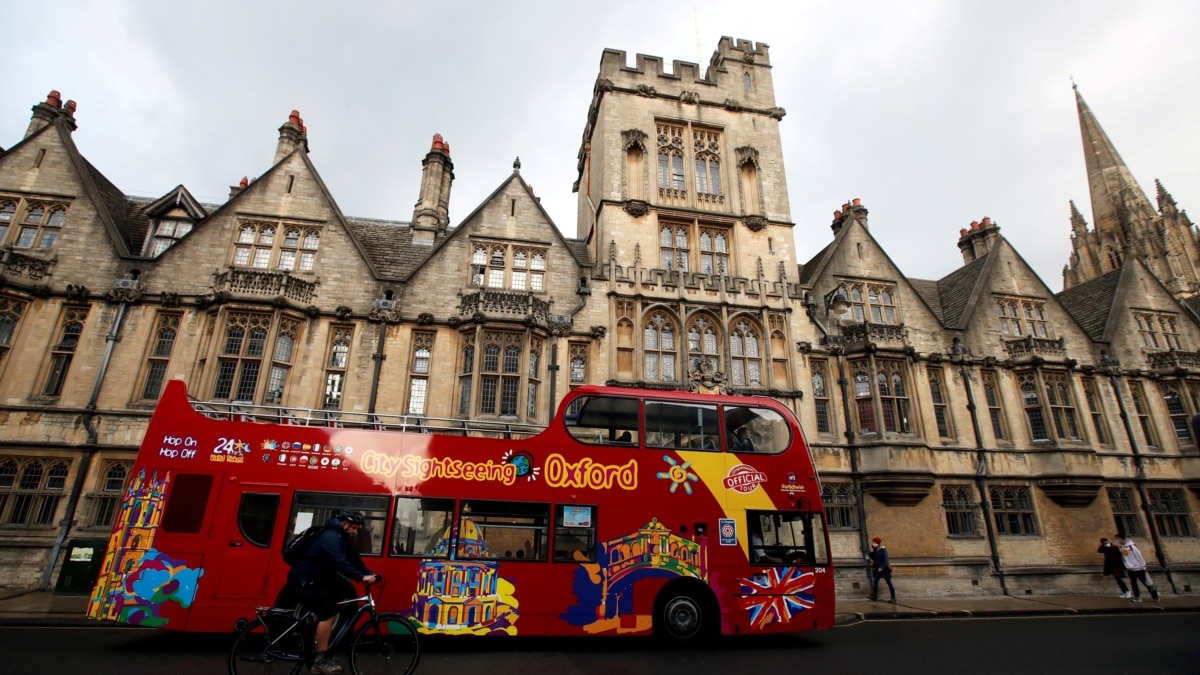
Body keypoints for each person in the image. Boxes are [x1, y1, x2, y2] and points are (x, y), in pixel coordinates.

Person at [283, 510, 378, 675]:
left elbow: (354, 559)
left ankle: (313, 634)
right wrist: (360, 577)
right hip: (305, 581)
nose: (356, 531)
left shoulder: (342, 537)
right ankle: (320, 661)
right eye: (354, 528)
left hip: (317, 579)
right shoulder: (331, 537)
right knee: (328, 613)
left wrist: (370, 573)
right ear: (344, 524)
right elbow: (339, 562)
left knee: (339, 601)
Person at [1115, 533, 1159, 603]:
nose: (1117, 540)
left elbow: (1139, 557)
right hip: (1130, 569)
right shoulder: (1121, 548)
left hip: (1138, 568)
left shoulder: (1132, 547)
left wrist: (1143, 566)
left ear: (1122, 538)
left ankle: (1155, 594)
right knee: (1133, 583)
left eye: (1118, 539)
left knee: (1146, 582)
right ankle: (1137, 597)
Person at [868, 536, 895, 603]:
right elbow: (872, 557)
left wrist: (882, 567)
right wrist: (871, 551)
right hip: (876, 568)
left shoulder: (883, 550)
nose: (873, 543)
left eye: (874, 542)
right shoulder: (875, 549)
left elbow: (885, 560)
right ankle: (874, 596)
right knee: (875, 582)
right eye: (873, 542)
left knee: (888, 582)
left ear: (878, 543)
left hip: (884, 569)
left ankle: (893, 598)